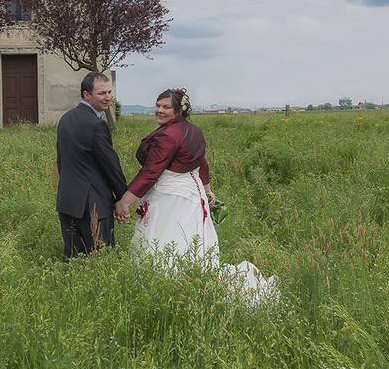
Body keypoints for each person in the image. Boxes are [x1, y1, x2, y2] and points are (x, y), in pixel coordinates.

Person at [115, 88, 278, 302]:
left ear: (178, 110)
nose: (160, 110)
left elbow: (150, 173)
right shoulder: (194, 131)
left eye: (166, 107)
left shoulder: (168, 135)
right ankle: (191, 282)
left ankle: (167, 288)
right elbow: (201, 165)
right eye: (158, 105)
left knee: (165, 239)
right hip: (193, 195)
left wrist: (124, 202)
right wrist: (208, 190)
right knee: (188, 240)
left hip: (171, 197)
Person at [55, 72, 129, 259]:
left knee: (73, 260)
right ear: (86, 95)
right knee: (102, 260)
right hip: (93, 204)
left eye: (109, 92)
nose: (108, 97)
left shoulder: (65, 119)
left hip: (67, 201)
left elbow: (61, 162)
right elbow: (111, 165)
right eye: (102, 93)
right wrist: (123, 198)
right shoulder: (96, 124)